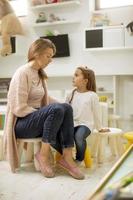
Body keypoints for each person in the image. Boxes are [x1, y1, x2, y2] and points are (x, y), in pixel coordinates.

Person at [3, 38, 84, 180]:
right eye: (48, 56)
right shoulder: (22, 73)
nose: (50, 60)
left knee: (65, 107)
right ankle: (43, 155)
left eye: (51, 57)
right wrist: (44, 114)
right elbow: (19, 108)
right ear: (36, 53)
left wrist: (64, 107)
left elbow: (45, 100)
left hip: (35, 120)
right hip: (21, 123)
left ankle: (66, 157)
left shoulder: (39, 74)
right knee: (56, 110)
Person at [66, 66, 109, 164]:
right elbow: (65, 109)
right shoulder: (71, 94)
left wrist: (99, 128)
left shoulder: (92, 95)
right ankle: (67, 157)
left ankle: (79, 159)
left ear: (85, 81)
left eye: (76, 75)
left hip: (85, 125)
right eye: (74, 75)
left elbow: (97, 113)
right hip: (72, 124)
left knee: (79, 136)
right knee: (58, 136)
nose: (73, 77)